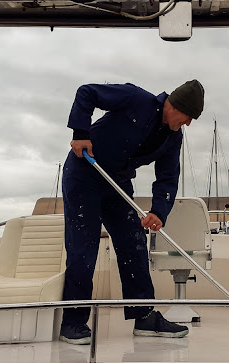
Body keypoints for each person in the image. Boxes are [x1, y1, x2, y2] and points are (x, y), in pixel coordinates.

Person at [60, 80, 205, 345]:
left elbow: (168, 177)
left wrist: (159, 211)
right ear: (174, 106)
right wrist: (81, 132)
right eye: (188, 117)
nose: (188, 123)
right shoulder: (135, 98)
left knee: (134, 244)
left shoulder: (173, 138)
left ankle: (144, 315)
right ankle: (73, 321)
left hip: (118, 182)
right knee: (84, 248)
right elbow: (87, 92)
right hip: (84, 174)